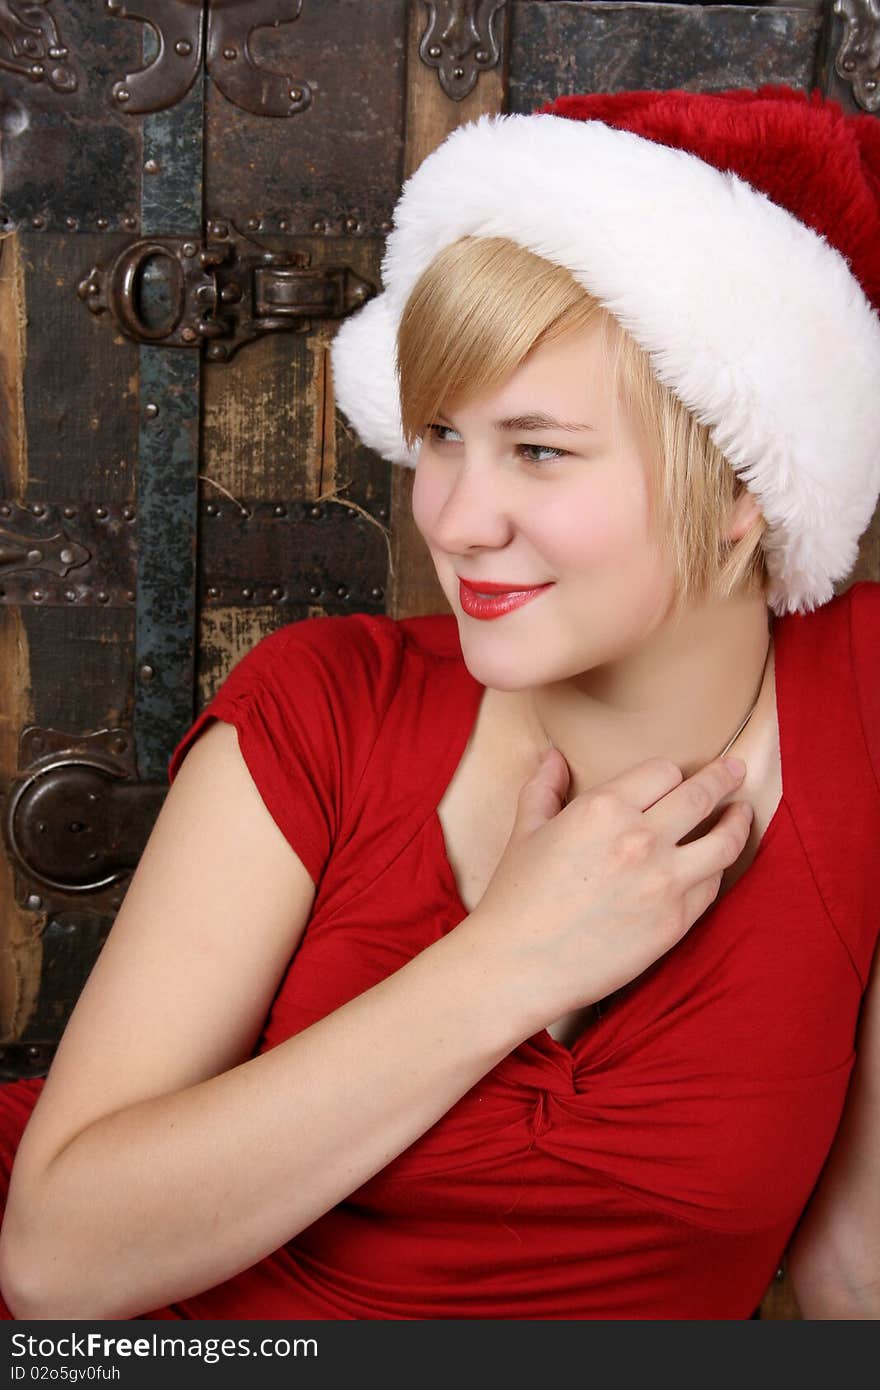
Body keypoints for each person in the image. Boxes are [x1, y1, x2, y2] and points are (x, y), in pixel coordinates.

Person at [0, 84, 879, 1321]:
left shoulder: (862, 710)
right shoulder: (326, 702)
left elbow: (856, 1268)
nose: (456, 521)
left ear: (742, 484)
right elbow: (55, 1262)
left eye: (539, 449)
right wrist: (508, 963)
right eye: (439, 435)